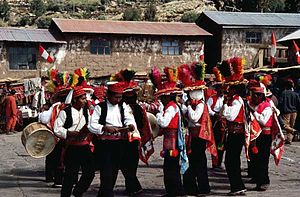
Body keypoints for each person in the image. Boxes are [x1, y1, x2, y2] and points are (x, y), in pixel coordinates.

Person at [88, 81, 137, 197]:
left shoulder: (124, 106)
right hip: (105, 144)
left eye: (120, 97)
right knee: (106, 172)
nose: (119, 99)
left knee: (114, 171)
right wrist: (105, 128)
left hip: (119, 143)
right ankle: (106, 193)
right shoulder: (100, 108)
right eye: (116, 97)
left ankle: (106, 192)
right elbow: (91, 125)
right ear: (109, 95)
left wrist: (130, 125)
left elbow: (129, 119)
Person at [53, 86, 95, 197]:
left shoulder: (86, 111)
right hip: (72, 146)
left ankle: (78, 191)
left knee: (90, 172)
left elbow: (90, 125)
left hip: (84, 145)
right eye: (82, 99)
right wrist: (69, 133)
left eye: (85, 98)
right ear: (75, 99)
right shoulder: (65, 112)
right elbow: (57, 128)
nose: (85, 101)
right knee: (70, 175)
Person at [207, 84, 226, 170]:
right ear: (217, 90)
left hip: (223, 123)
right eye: (220, 89)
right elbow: (208, 108)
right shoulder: (212, 98)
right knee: (215, 142)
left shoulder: (225, 99)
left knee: (222, 143)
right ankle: (215, 163)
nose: (222, 91)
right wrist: (215, 114)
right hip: (215, 122)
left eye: (223, 89)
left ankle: (219, 162)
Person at [278, 79, 300, 144]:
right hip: (294, 112)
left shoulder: (283, 93)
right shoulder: (295, 94)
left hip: (286, 112)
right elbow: (298, 103)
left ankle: (293, 133)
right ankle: (289, 138)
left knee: (286, 126)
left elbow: (280, 102)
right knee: (291, 125)